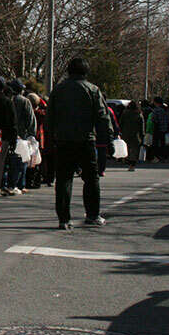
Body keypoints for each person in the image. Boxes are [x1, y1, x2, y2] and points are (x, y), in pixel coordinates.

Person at [45, 57, 113, 230]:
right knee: (91, 178)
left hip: (63, 139)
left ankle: (64, 219)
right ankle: (92, 215)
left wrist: (50, 137)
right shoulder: (93, 89)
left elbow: (49, 117)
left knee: (64, 179)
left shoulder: (58, 90)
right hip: (86, 139)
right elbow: (103, 117)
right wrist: (109, 139)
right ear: (86, 72)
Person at [5, 79, 37, 195]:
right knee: (22, 160)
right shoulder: (24, 101)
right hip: (21, 135)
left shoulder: (8, 99)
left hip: (6, 134)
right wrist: (31, 134)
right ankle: (19, 184)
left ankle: (6, 184)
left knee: (7, 161)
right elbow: (31, 119)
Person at [119, 100, 145, 171]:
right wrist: (142, 136)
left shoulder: (125, 113)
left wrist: (121, 131)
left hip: (126, 134)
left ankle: (126, 159)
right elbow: (141, 128)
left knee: (127, 148)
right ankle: (132, 164)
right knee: (134, 150)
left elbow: (121, 123)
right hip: (135, 135)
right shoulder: (139, 114)